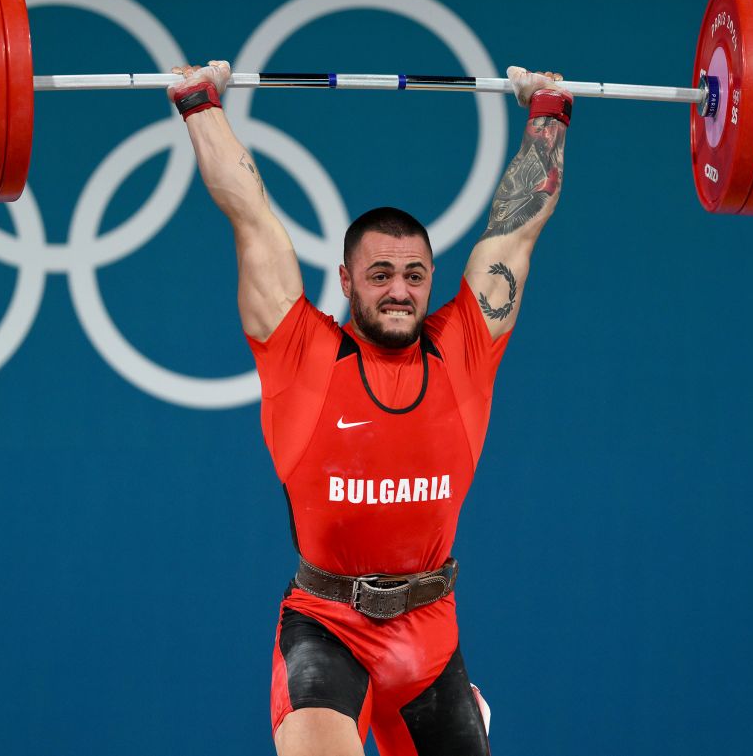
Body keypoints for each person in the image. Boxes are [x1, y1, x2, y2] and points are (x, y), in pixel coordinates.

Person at [167, 60, 571, 756]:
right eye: (380, 274)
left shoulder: (464, 349)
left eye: (414, 275)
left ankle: (463, 709)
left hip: (431, 637)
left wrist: (549, 113)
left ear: (430, 281)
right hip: (327, 629)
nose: (398, 290)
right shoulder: (302, 351)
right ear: (347, 279)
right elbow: (251, 215)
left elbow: (516, 231)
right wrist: (200, 103)